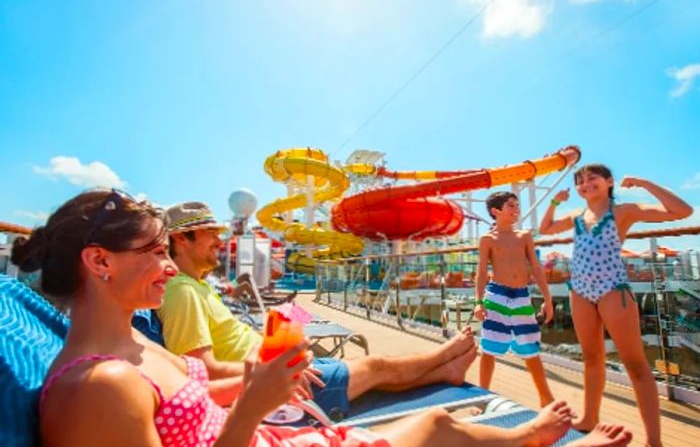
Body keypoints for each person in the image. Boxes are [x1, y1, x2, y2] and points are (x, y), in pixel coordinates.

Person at [11, 189, 633, 446]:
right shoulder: (97, 388)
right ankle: (531, 434)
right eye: (152, 251)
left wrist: (260, 379)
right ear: (99, 262)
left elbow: (199, 390)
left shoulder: (132, 353)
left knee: (431, 412)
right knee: (435, 420)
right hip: (262, 433)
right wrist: (253, 407)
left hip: (269, 430)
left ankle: (483, 390)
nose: (169, 265)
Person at [159, 202, 477, 418]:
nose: (219, 239)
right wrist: (274, 372)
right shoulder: (182, 292)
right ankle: (443, 356)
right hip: (276, 385)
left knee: (365, 369)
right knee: (377, 365)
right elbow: (201, 371)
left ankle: (445, 371)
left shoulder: (198, 285)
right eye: (208, 233)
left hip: (276, 362)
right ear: (181, 240)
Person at [539, 164, 693, 446]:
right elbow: (544, 228)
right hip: (581, 291)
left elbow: (682, 211)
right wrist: (553, 202)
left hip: (613, 290)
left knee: (635, 364)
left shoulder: (622, 211)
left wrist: (644, 181)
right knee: (592, 358)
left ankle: (654, 441)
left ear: (609, 181)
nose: (585, 185)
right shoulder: (576, 215)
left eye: (592, 179)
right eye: (580, 182)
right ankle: (589, 418)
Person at [474, 192, 556, 408]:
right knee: (489, 348)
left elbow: (536, 268)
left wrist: (547, 298)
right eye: (511, 205)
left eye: (517, 205)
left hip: (521, 296)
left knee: (530, 348)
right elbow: (482, 272)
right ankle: (482, 397)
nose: (516, 209)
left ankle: (546, 399)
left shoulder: (524, 235)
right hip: (496, 295)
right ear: (496, 211)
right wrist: (478, 302)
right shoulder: (487, 239)